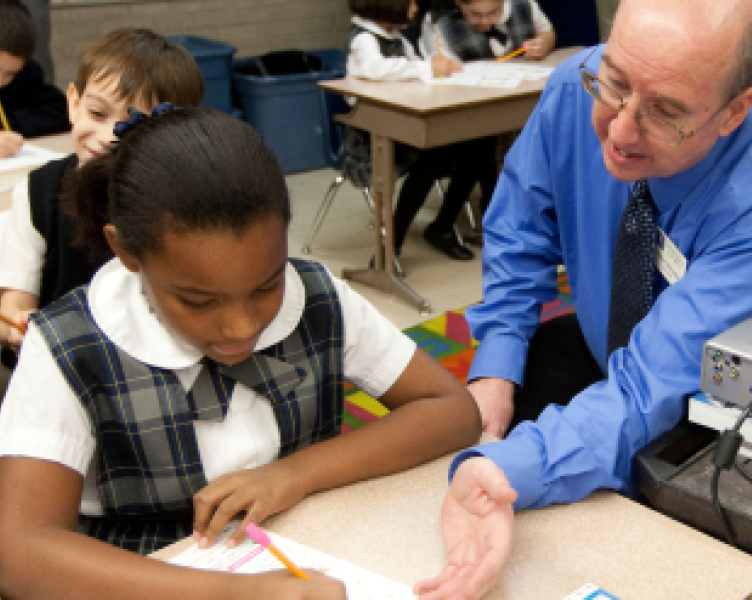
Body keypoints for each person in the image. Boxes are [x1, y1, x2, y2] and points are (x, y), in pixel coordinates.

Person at [0, 107, 481, 599]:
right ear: (125, 252)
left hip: (304, 553)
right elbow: (20, 554)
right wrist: (231, 595)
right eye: (197, 301)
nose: (242, 325)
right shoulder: (70, 345)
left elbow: (452, 410)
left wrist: (295, 473)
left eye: (266, 285)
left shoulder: (315, 296)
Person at [412, 0, 752, 598]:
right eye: (614, 84)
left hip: (718, 411)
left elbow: (656, 382)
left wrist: (507, 471)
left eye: (665, 113)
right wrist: (497, 361)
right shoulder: (577, 82)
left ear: (735, 111)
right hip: (602, 346)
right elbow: (520, 224)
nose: (617, 132)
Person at [0, 28, 205, 367]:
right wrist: (18, 325)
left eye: (135, 124)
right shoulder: (37, 192)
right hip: (61, 365)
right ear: (73, 103)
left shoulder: (184, 199)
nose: (110, 136)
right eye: (97, 114)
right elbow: (15, 300)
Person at [343, 0, 496, 261]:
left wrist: (438, 66)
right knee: (435, 156)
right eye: (411, 3)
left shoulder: (398, 39)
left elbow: (418, 72)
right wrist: (427, 68)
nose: (415, 9)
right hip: (374, 138)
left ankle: (443, 226)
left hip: (406, 126)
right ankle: (393, 246)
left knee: (478, 145)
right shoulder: (364, 40)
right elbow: (376, 69)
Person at [0, 0, 69, 158]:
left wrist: (10, 124)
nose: (1, 80)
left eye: (10, 73)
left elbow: (62, 112)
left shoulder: (26, 74)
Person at [420, 0, 556, 62]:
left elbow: (547, 32)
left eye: (494, 12)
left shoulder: (524, 4)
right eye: (475, 14)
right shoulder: (440, 24)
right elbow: (446, 68)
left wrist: (543, 44)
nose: (485, 21)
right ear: (458, 3)